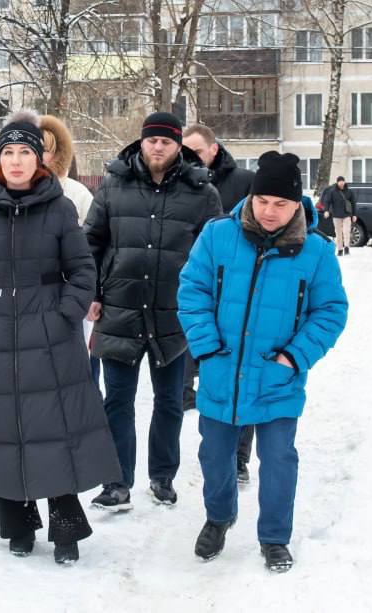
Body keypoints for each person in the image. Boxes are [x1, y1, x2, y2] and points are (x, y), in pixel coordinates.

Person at [0, 114, 121, 566]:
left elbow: (83, 270)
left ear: (40, 159)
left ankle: (66, 528)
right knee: (3, 427)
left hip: (49, 332)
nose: (16, 160)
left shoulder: (59, 206)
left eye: (25, 152)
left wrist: (65, 313)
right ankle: (18, 525)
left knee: (53, 427)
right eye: (8, 153)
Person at [178, 151, 348, 573]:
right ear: (251, 198)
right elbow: (192, 290)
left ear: (297, 206)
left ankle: (274, 537)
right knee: (214, 457)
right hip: (222, 368)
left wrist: (294, 356)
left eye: (281, 204)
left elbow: (330, 311)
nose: (270, 211)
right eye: (263, 201)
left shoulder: (316, 251)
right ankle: (219, 517)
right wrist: (206, 347)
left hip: (277, 374)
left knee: (278, 461)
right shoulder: (218, 236)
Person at [84, 112, 221, 512]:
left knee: (169, 401)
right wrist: (92, 292)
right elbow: (91, 242)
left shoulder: (202, 193)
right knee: (118, 401)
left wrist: (205, 306)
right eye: (151, 140)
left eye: (166, 141)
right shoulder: (113, 185)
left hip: (174, 315)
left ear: (179, 145)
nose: (158, 146)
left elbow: (214, 258)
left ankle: (163, 477)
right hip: (119, 309)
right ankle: (116, 483)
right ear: (141, 143)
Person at [179, 124, 255, 459]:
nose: (188, 157)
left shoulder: (243, 182)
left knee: (239, 373)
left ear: (213, 149)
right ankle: (213, 448)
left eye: (195, 150)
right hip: (195, 288)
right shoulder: (177, 184)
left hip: (238, 291)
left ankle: (239, 456)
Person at [39, 113, 100, 388]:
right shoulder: (9, 194)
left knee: (72, 370)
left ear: (58, 153)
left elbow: (95, 245)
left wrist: (88, 294)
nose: (40, 156)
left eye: (47, 150)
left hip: (70, 296)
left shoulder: (76, 194)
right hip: (30, 299)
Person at [181, 123, 255, 213]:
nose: (190, 158)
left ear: (214, 149)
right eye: (185, 153)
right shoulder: (175, 184)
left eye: (197, 152)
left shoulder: (246, 181)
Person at [321, 176, 357, 256]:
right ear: (337, 182)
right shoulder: (332, 192)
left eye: (342, 181)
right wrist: (326, 210)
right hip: (336, 215)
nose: (341, 183)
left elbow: (353, 203)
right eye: (340, 181)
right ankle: (340, 249)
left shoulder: (349, 192)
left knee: (346, 232)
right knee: (338, 233)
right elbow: (327, 201)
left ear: (344, 182)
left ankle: (347, 248)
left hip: (346, 215)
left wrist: (354, 215)